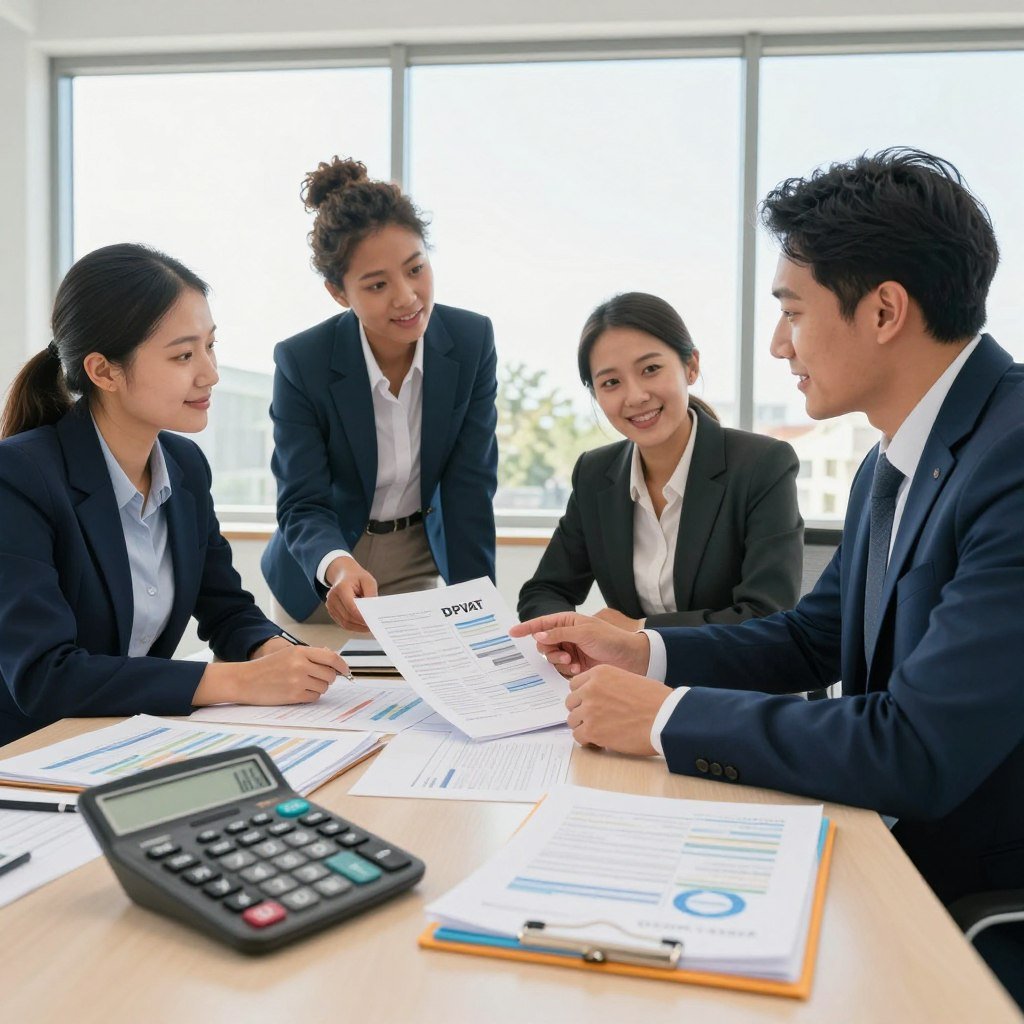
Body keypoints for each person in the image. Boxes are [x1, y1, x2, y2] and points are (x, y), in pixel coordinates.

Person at [511, 150, 1024, 927]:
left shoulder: (1011, 457)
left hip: (966, 900)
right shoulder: (893, 461)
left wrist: (661, 717)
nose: (781, 346)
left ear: (884, 312)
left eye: (792, 312)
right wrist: (642, 653)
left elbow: (916, 746)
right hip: (884, 846)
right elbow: (813, 638)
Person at [0, 244, 348, 746]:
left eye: (210, 346)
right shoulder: (19, 477)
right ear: (104, 372)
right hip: (31, 756)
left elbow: (226, 608)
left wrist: (272, 651)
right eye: (184, 355)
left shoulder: (184, 467)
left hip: (126, 741)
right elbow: (44, 676)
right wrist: (239, 682)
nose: (210, 373)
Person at [260, 157, 498, 633]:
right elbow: (302, 502)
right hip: (324, 571)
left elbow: (469, 487)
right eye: (377, 285)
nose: (407, 297)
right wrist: (336, 566)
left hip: (416, 558)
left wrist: (480, 613)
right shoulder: (302, 362)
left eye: (416, 269)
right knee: (313, 702)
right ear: (338, 292)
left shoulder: (471, 341)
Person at [518, 293, 802, 629]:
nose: (636, 396)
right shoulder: (595, 474)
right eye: (611, 382)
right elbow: (544, 591)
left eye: (651, 369)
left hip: (726, 678)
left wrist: (637, 633)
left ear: (691, 366)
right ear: (595, 395)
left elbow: (766, 615)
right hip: (630, 678)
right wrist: (568, 639)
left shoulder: (762, 465)